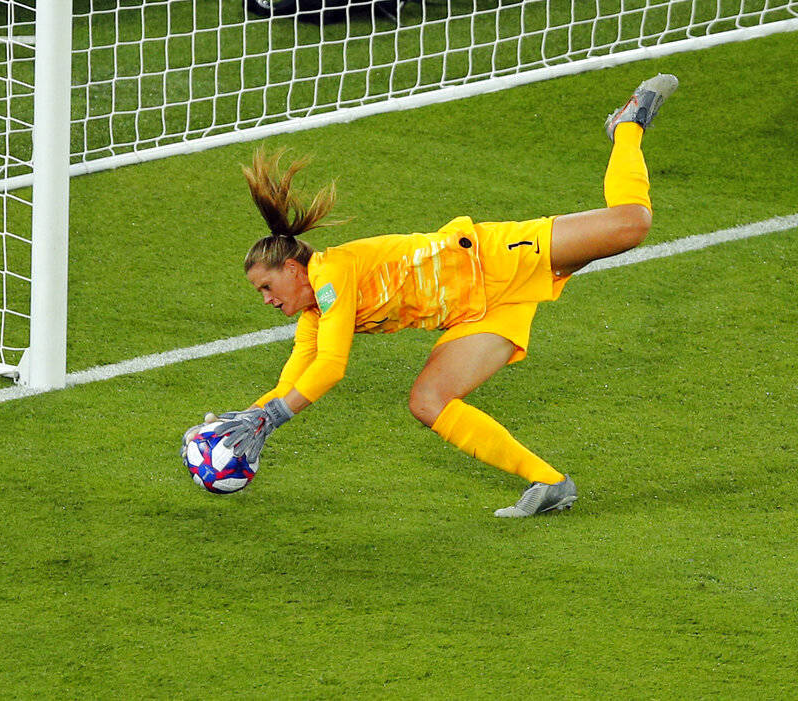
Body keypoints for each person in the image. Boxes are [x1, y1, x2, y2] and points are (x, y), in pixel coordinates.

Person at [187, 74, 678, 517]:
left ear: (293, 268)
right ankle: (550, 484)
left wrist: (269, 416)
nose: (267, 300)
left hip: (494, 257)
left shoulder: (331, 271)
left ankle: (627, 126)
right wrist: (250, 418)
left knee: (631, 224)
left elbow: (332, 367)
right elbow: (298, 374)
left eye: (267, 287)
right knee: (429, 401)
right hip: (478, 312)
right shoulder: (317, 312)